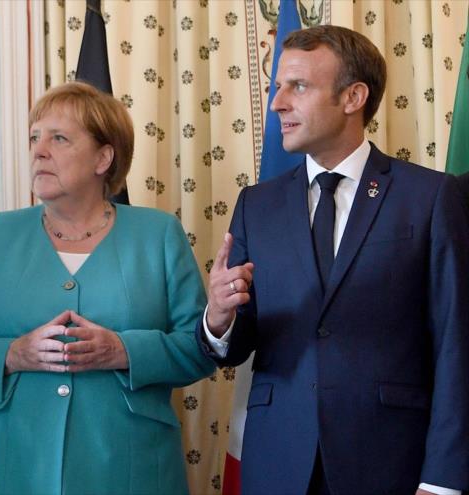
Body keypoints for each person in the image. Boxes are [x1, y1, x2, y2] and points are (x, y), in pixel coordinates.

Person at [197, 25, 469, 494]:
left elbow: (457, 344)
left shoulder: (428, 197)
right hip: (277, 463)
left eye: (297, 86)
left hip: (391, 464)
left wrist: (443, 479)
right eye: (277, 87)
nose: (278, 103)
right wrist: (219, 318)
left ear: (353, 97)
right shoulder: (254, 206)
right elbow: (237, 345)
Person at [0, 81, 214, 494]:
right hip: (15, 466)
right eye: (34, 137)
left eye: (59, 138)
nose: (39, 150)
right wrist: (13, 354)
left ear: (103, 158)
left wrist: (122, 350)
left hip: (129, 465)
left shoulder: (158, 235)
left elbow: (199, 350)